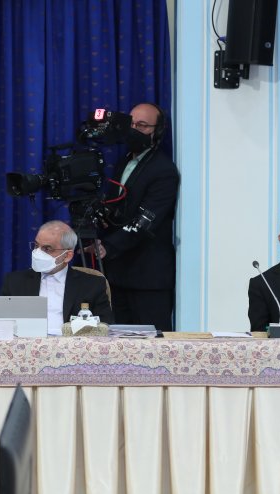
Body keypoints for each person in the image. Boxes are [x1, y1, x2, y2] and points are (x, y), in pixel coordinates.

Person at [92, 102, 180, 331]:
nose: (134, 130)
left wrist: (109, 246)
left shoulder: (163, 170)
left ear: (157, 131)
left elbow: (146, 220)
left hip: (147, 278)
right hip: (117, 274)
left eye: (142, 125)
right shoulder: (124, 162)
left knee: (152, 345)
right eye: (131, 124)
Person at [1, 220, 114, 335]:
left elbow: (105, 328)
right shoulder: (14, 282)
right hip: (27, 343)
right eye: (36, 246)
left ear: (67, 256)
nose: (37, 253)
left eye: (47, 249)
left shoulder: (92, 285)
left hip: (72, 344)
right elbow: (1, 325)